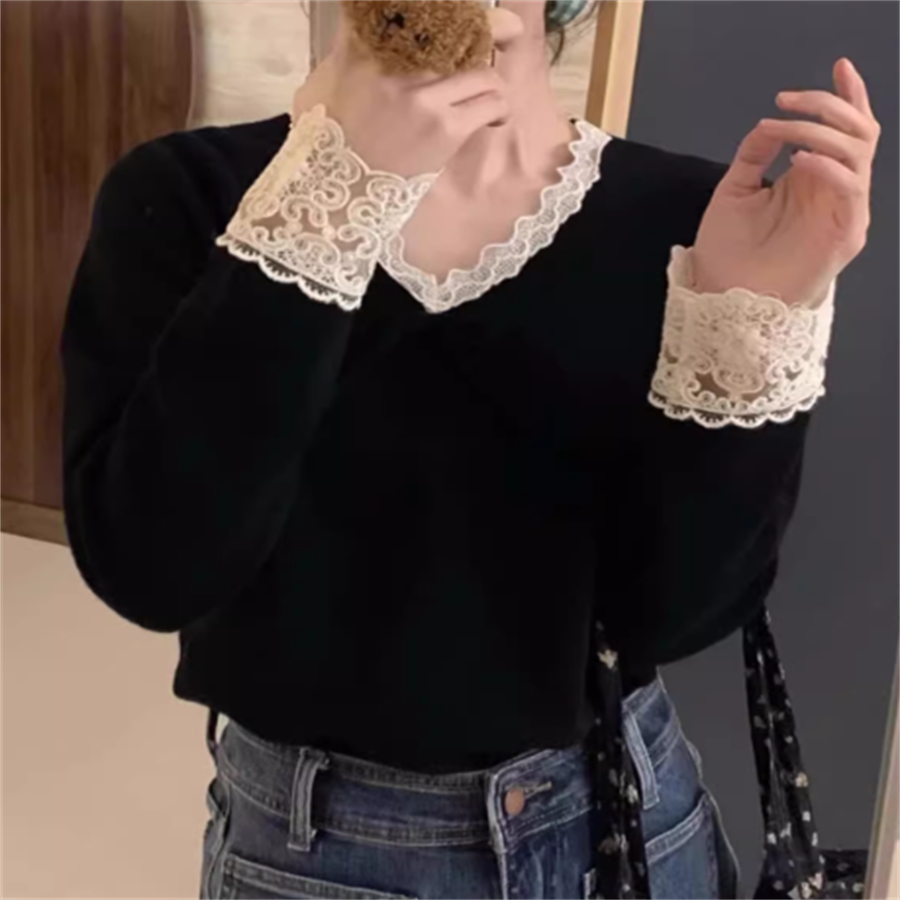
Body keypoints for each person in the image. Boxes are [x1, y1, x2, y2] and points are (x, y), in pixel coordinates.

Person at [59, 0, 879, 897]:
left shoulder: (693, 216)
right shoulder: (190, 197)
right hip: (317, 851)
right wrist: (328, 199)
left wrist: (750, 317)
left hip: (624, 824)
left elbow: (675, 617)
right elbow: (152, 567)